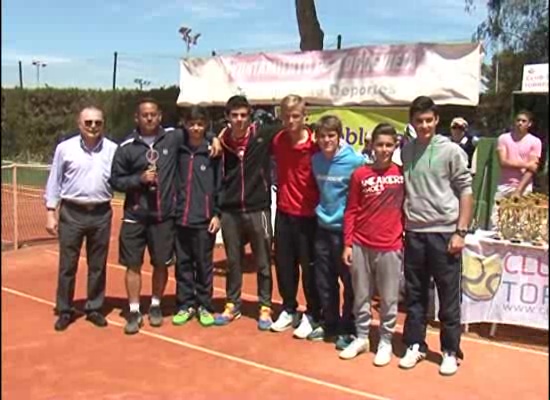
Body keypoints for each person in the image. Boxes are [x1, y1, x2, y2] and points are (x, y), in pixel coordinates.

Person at [110, 98, 220, 335]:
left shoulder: (173, 137)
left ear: (160, 116)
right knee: (133, 265)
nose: (149, 118)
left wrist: (214, 137)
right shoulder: (126, 146)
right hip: (135, 216)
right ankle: (134, 309)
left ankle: (157, 305)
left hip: (164, 216)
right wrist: (138, 179)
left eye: (153, 114)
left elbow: (197, 129)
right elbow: (116, 180)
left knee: (161, 263)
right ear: (136, 118)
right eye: (144, 115)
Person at [399, 96, 473, 376]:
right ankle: (415, 344)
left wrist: (460, 231)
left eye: (429, 120)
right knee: (415, 294)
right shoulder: (406, 150)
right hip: (415, 233)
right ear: (412, 122)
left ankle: (450, 350)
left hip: (445, 234)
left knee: (448, 295)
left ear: (436, 120)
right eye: (419, 121)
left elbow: (466, 190)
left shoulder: (452, 150)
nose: (424, 125)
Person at [44, 106, 118, 331]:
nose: (93, 126)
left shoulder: (113, 149)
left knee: (98, 265)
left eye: (98, 122)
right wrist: (50, 211)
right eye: (88, 122)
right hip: (71, 213)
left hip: (101, 213)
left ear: (103, 124)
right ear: (79, 124)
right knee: (68, 265)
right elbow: (54, 180)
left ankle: (94, 307)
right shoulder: (64, 149)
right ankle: (65, 309)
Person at [339, 123, 404, 366]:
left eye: (389, 145)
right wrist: (347, 243)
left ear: (395, 146)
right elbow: (351, 211)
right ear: (371, 146)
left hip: (390, 246)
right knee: (360, 296)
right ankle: (363, 336)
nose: (384, 149)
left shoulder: (401, 174)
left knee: (388, 298)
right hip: (361, 244)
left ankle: (385, 340)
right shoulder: (359, 175)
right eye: (380, 144)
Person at [215, 95, 282, 330]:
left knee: (264, 261)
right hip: (230, 210)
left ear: (250, 117)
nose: (239, 120)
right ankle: (232, 303)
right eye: (235, 116)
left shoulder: (262, 135)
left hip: (258, 208)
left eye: (243, 115)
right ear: (227, 117)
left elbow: (287, 125)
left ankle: (265, 306)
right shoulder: (222, 141)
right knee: (234, 261)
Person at [309, 115, 365, 349]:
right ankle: (330, 324)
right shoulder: (316, 160)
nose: (326, 140)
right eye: (322, 136)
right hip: (322, 228)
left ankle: (348, 328)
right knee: (324, 281)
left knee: (349, 283)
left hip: (346, 232)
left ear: (339, 136)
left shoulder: (355, 161)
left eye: (331, 136)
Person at [269, 95, 322, 339]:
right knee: (284, 265)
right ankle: (289, 308)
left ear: (304, 117)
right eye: (286, 116)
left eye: (295, 116)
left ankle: (313, 313)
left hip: (310, 216)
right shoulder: (278, 140)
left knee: (310, 269)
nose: (290, 121)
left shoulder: (316, 144)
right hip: (284, 212)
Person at [171, 106, 222, 327]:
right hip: (180, 217)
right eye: (192, 123)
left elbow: (220, 185)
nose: (195, 128)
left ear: (206, 125)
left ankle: (204, 305)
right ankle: (185, 305)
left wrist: (217, 214)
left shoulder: (213, 152)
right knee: (183, 264)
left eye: (200, 124)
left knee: (204, 265)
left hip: (204, 219)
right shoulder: (177, 148)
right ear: (185, 124)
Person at [492, 111, 542, 225]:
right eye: (518, 120)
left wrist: (519, 190)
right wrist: (526, 164)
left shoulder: (535, 141)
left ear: (529, 124)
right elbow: (503, 162)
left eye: (523, 121)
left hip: (524, 186)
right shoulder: (503, 138)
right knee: (496, 220)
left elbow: (532, 169)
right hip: (504, 185)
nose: (520, 123)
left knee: (520, 222)